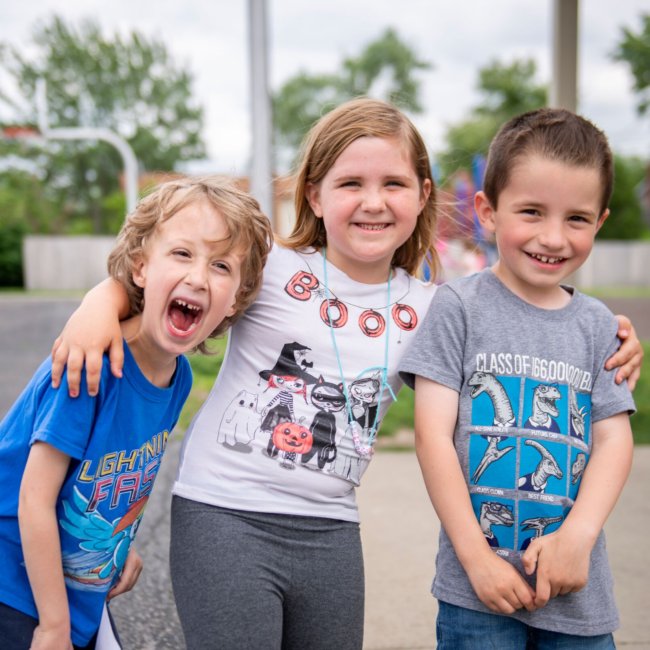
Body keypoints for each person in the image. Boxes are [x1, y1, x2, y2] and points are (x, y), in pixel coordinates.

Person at [48, 100, 643, 650]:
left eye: (393, 184)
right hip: (222, 514)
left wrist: (611, 335)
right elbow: (167, 284)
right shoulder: (270, 269)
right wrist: (97, 304)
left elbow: (524, 318)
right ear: (313, 194)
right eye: (351, 183)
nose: (373, 201)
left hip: (331, 531)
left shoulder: (438, 306)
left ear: (422, 194)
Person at [399, 108, 637, 649]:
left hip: (577, 594)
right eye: (531, 212)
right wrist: (475, 558)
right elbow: (432, 436)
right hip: (477, 592)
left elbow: (614, 438)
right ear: (488, 211)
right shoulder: (459, 308)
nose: (553, 237)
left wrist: (579, 535)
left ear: (599, 222)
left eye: (576, 219)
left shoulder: (600, 325)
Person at [0, 176, 272, 650]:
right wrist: (53, 626)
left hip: (75, 592)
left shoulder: (179, 378)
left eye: (222, 265)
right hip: (17, 592)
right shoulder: (91, 367)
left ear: (235, 300)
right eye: (182, 254)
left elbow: (116, 478)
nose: (198, 277)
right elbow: (34, 500)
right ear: (141, 267)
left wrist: (114, 547)